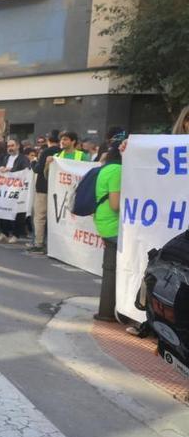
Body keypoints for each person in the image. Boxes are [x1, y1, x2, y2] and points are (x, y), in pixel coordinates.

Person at [92, 137, 126, 322]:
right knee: (115, 270)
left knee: (110, 269)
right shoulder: (118, 171)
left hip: (103, 222)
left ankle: (106, 310)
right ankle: (112, 311)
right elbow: (115, 204)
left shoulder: (105, 169)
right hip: (113, 225)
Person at [27, 133, 61, 253]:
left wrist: (33, 162)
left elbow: (38, 169)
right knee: (55, 217)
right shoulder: (62, 152)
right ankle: (53, 244)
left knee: (40, 217)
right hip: (58, 189)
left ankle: (39, 243)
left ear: (48, 140)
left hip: (43, 187)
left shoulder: (46, 152)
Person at [0, 139, 31, 244]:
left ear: (18, 146)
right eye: (8, 146)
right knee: (4, 210)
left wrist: (9, 170)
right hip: (6, 188)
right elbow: (1, 170)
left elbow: (25, 172)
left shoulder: (23, 159)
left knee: (18, 213)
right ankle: (4, 233)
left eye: (12, 146)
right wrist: (1, 168)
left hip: (18, 190)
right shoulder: (5, 157)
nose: (10, 148)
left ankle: (16, 234)